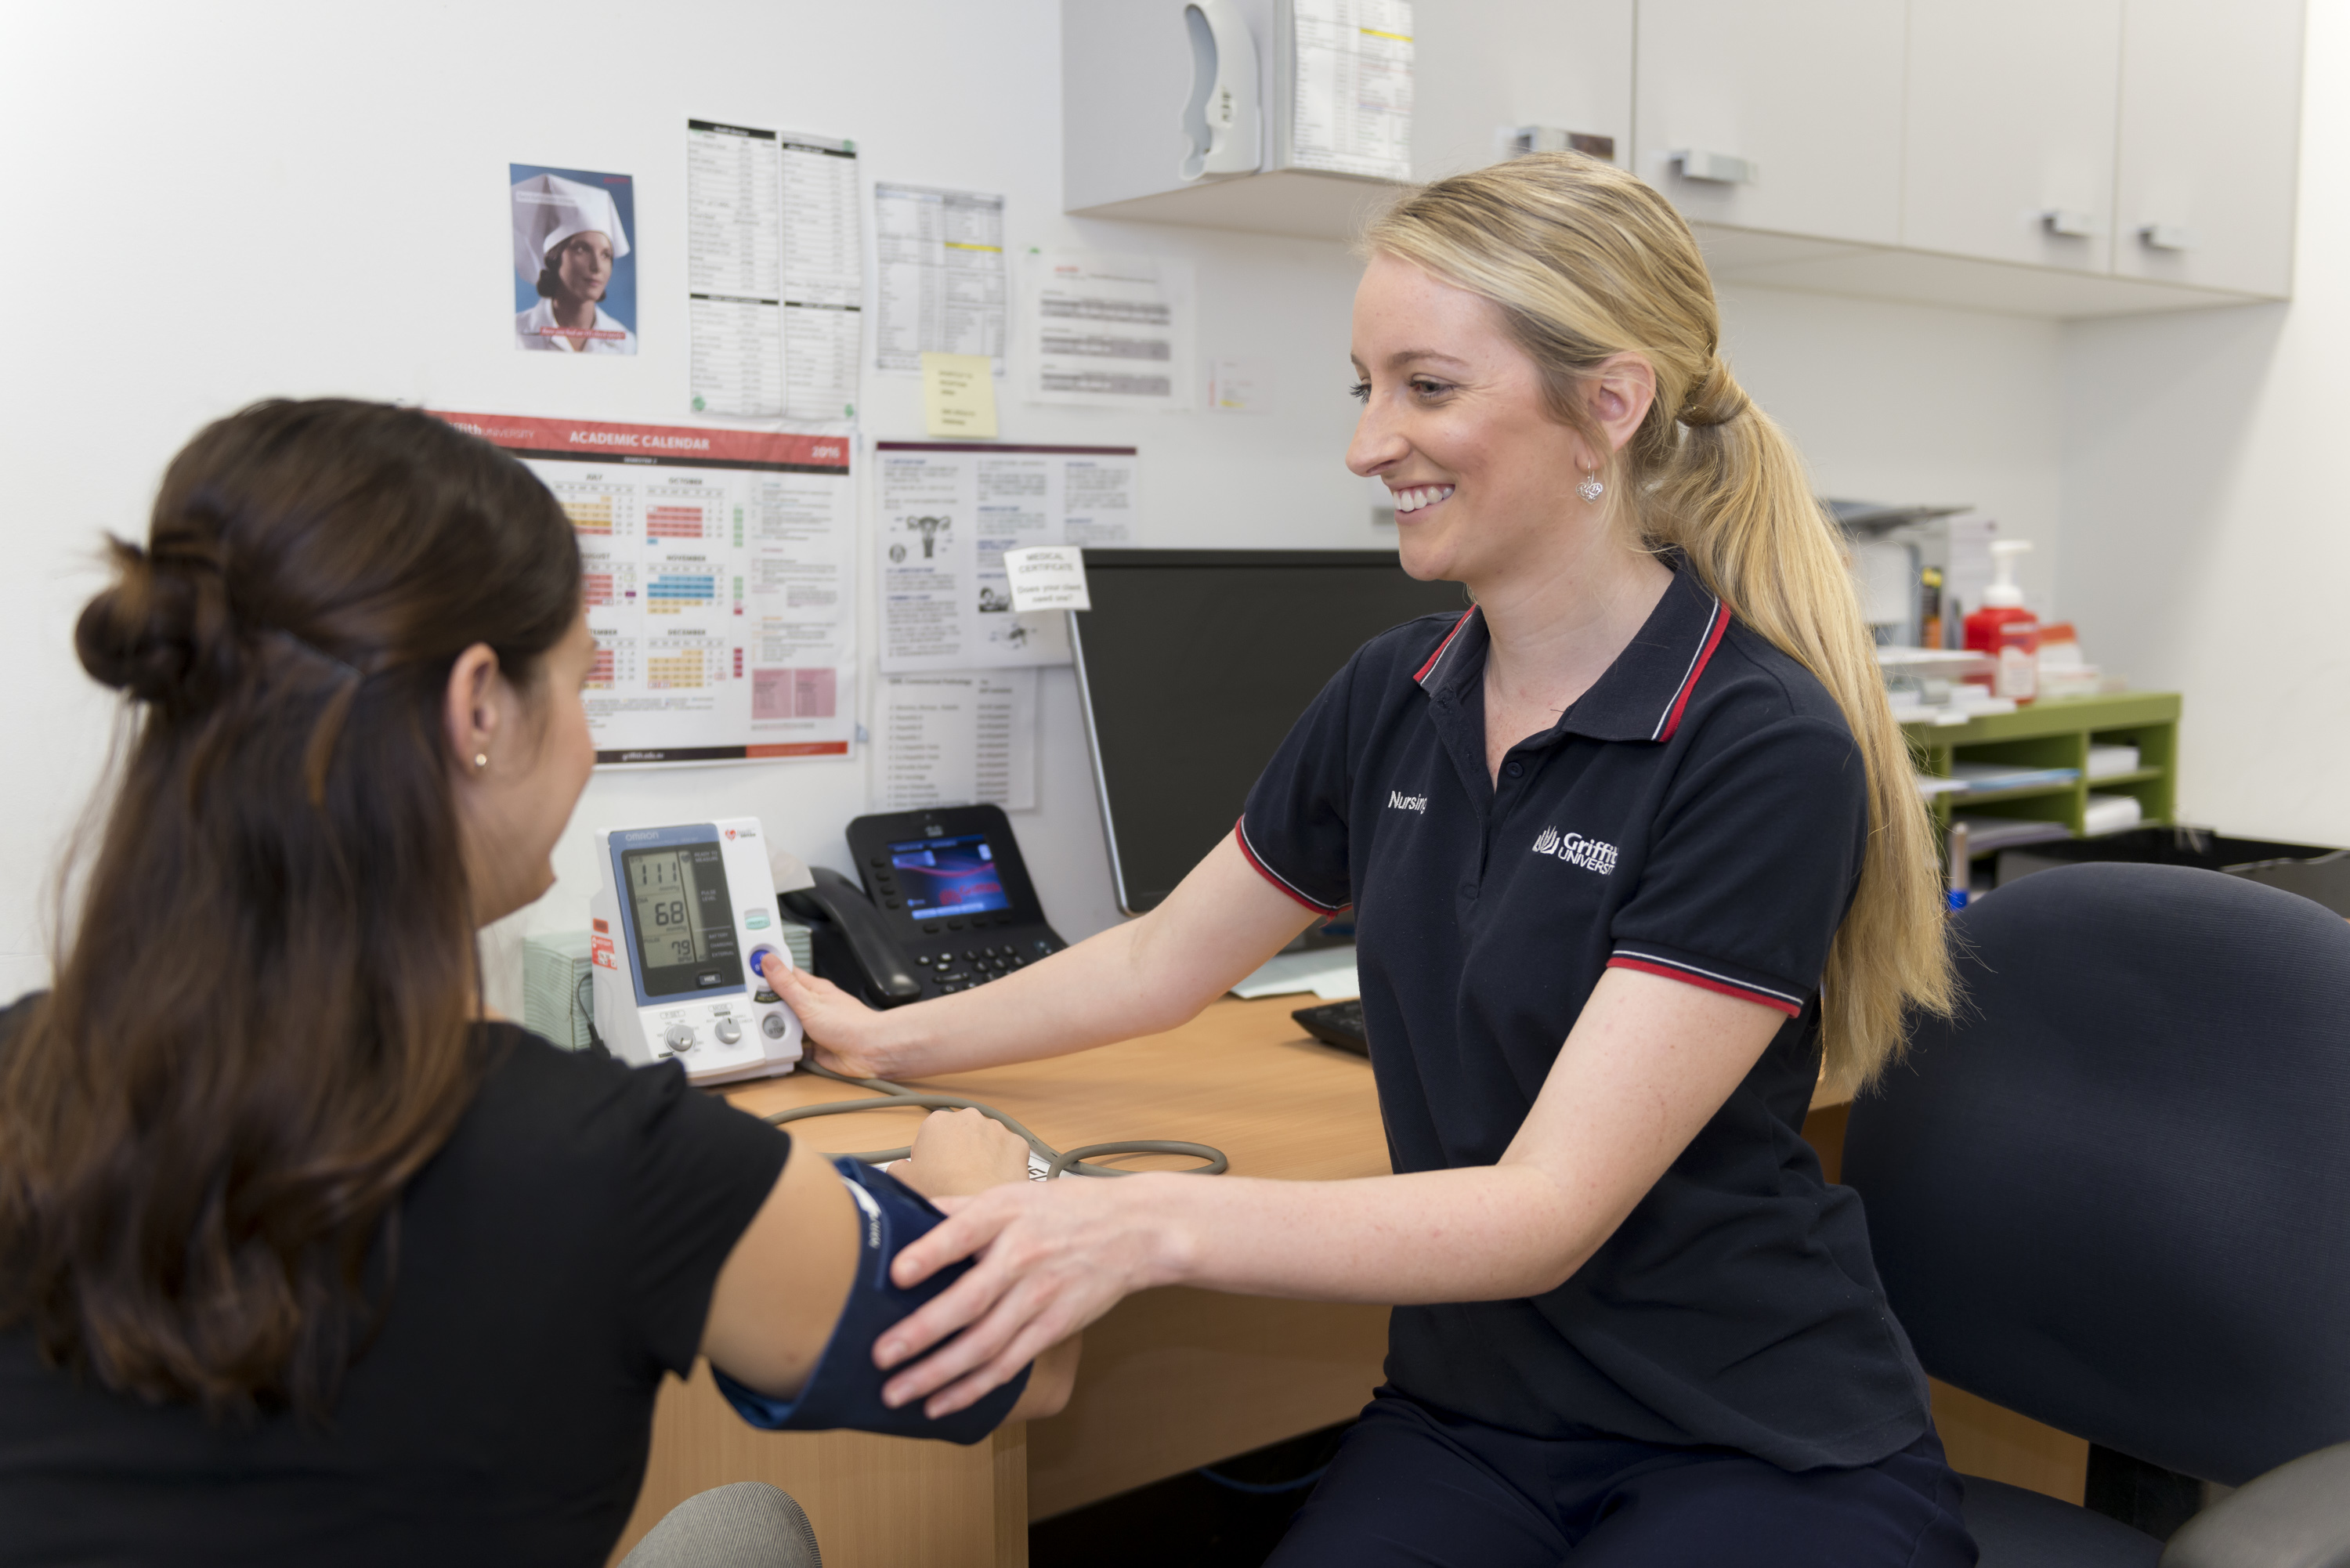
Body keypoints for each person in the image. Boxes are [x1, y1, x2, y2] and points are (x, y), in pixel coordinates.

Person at [763, 152, 1977, 1566]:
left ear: (1612, 402)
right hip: (1481, 1417)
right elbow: (1165, 958)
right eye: (1366, 386)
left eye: (1428, 386)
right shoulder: (1393, 693)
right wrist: (889, 1039)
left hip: (1755, 1431)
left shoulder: (1756, 742)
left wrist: (1136, 1223)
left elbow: (1542, 1213)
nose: (1367, 444)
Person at [0, 399, 1072, 1566]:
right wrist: (979, 1195)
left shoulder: (24, 1069)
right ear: (477, 710)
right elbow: (1027, 1368)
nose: (587, 738)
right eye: (580, 682)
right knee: (754, 1529)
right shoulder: (616, 1161)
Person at [513, 172, 638, 354]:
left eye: (606, 255)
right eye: (582, 249)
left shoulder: (625, 343)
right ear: (554, 257)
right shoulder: (516, 334)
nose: (597, 267)